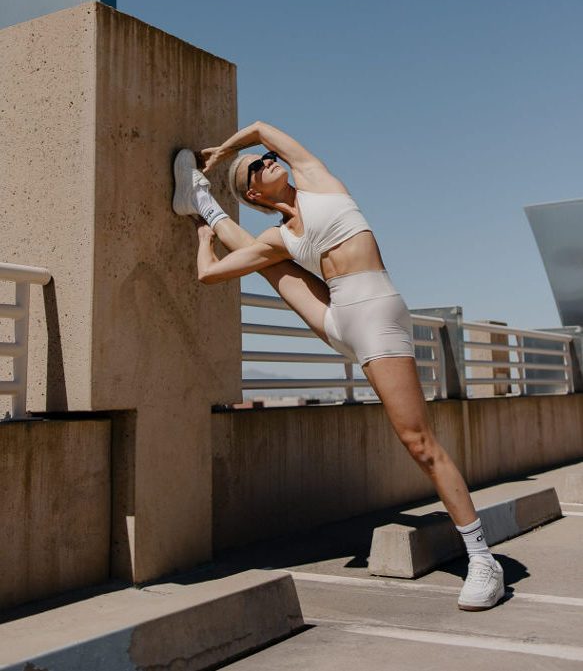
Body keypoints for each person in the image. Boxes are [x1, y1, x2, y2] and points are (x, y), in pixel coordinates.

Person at [172, 120, 505, 611]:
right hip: (337, 319)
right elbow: (207, 275)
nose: (267, 162)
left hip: (378, 320)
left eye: (264, 160)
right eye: (256, 170)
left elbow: (264, 129)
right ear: (255, 197)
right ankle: (200, 203)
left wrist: (223, 152)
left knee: (418, 442)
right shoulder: (279, 234)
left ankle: (483, 560)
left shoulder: (317, 181)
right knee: (264, 258)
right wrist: (204, 236)